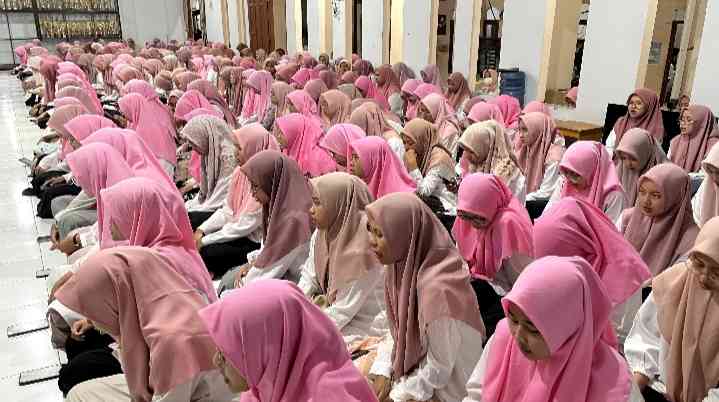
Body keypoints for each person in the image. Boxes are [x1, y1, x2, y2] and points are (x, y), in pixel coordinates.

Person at [56, 248, 233, 402]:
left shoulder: (173, 340)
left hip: (198, 396)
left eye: (95, 309)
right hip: (175, 389)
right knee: (79, 392)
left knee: (79, 389)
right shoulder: (163, 305)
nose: (93, 319)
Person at [463, 256, 644, 402]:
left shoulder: (612, 382)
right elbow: (476, 394)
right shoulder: (504, 338)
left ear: (569, 326)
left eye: (533, 329)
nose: (518, 336)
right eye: (513, 318)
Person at [365, 192, 485, 402]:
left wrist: (399, 394)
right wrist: (384, 369)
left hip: (450, 389)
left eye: (380, 234)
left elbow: (439, 366)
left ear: (404, 236)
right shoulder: (400, 267)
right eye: (371, 231)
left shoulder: (439, 289)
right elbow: (393, 329)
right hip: (417, 371)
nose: (371, 242)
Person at [198, 279, 379, 402]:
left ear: (263, 349)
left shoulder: (329, 396)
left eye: (225, 354)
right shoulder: (264, 387)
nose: (216, 361)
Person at [625, 216, 719, 402]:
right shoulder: (674, 282)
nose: (703, 277)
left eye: (716, 272)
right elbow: (646, 337)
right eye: (699, 264)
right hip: (661, 389)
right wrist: (636, 386)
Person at [534, 197, 651, 342]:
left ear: (582, 249)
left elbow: (619, 338)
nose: (550, 271)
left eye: (556, 261)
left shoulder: (624, 274)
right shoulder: (558, 266)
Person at [298, 173, 388, 346]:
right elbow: (309, 277)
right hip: (331, 311)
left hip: (363, 323)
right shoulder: (323, 233)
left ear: (338, 205)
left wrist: (299, 327)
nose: (311, 209)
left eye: (317, 203)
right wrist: (291, 306)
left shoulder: (364, 249)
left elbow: (344, 310)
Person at [98, 177, 217, 302]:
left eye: (118, 215)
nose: (109, 222)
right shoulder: (170, 249)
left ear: (137, 217)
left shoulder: (158, 261)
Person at [453, 173, 533, 337]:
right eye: (467, 217)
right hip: (479, 287)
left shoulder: (508, 224)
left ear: (492, 205)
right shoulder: (466, 216)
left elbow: (522, 282)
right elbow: (460, 259)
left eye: (479, 218)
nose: (473, 224)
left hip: (506, 300)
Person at [194, 124, 276, 278]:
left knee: (207, 252)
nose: (235, 153)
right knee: (192, 221)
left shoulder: (265, 179)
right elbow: (228, 210)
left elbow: (244, 226)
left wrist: (205, 240)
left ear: (253, 148)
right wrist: (202, 230)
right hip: (235, 227)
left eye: (239, 148)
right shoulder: (241, 171)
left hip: (253, 240)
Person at [230, 150, 313, 286]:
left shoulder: (293, 219)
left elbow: (268, 272)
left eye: (256, 186)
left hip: (293, 283)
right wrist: (253, 263)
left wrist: (249, 276)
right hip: (279, 272)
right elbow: (269, 249)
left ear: (272, 182)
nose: (251, 192)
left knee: (231, 285)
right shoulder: (279, 203)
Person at [623, 163, 699, 277]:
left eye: (655, 195)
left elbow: (677, 278)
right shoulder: (628, 217)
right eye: (642, 192)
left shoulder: (692, 236)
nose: (646, 201)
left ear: (675, 196)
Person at [547, 141, 625, 225]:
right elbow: (549, 212)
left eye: (575, 174)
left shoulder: (613, 194)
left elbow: (610, 231)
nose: (569, 179)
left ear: (591, 172)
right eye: (566, 172)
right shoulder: (564, 181)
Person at [181, 115, 237, 228]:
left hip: (227, 212)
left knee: (187, 220)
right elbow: (204, 194)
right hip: (215, 206)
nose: (192, 147)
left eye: (193, 143)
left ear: (203, 137)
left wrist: (188, 211)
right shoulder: (210, 150)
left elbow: (219, 199)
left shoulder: (228, 156)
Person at [458, 120, 526, 203]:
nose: (467, 156)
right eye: (465, 150)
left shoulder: (508, 174)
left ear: (486, 148)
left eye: (472, 151)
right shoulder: (477, 165)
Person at [401, 119, 458, 215]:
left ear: (423, 141)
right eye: (404, 142)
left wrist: (413, 168)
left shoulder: (439, 158)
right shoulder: (421, 153)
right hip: (430, 205)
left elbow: (424, 192)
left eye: (410, 143)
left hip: (445, 210)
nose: (406, 147)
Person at [515, 112, 564, 216]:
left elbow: (546, 193)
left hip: (542, 208)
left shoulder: (554, 157)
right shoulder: (526, 148)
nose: (520, 135)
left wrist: (518, 198)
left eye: (525, 130)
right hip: (528, 202)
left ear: (537, 130)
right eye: (519, 130)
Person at [118, 93, 178, 177]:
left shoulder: (143, 128)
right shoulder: (147, 120)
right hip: (162, 166)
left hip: (161, 167)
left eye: (125, 111)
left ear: (133, 109)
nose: (124, 115)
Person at [349, 136, 416, 200]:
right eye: (351, 157)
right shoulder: (360, 187)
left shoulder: (399, 196)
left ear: (373, 160)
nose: (351, 163)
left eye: (356, 157)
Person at [615, 127, 669, 207]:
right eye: (623, 158)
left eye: (633, 158)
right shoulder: (620, 170)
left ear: (645, 153)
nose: (627, 163)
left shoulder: (664, 177)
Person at [274, 113, 337, 177]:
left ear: (294, 134)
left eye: (282, 133)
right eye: (278, 132)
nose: (278, 136)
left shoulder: (320, 159)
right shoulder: (287, 150)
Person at [607, 88, 666, 156]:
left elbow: (651, 157)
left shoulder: (655, 128)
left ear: (649, 106)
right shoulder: (621, 122)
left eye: (639, 103)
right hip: (616, 162)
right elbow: (609, 147)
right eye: (631, 103)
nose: (633, 106)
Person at [669, 104, 719, 174]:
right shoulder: (676, 141)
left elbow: (706, 176)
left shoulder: (714, 146)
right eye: (682, 119)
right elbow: (667, 165)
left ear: (702, 123)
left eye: (688, 120)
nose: (682, 123)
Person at [417, 93, 462, 159]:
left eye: (428, 112)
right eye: (422, 110)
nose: (423, 116)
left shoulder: (450, 131)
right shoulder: (425, 126)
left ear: (437, 111)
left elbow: (448, 156)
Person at [693, 143, 719, 227]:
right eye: (711, 171)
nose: (714, 177)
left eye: (718, 172)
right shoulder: (707, 184)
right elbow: (695, 215)